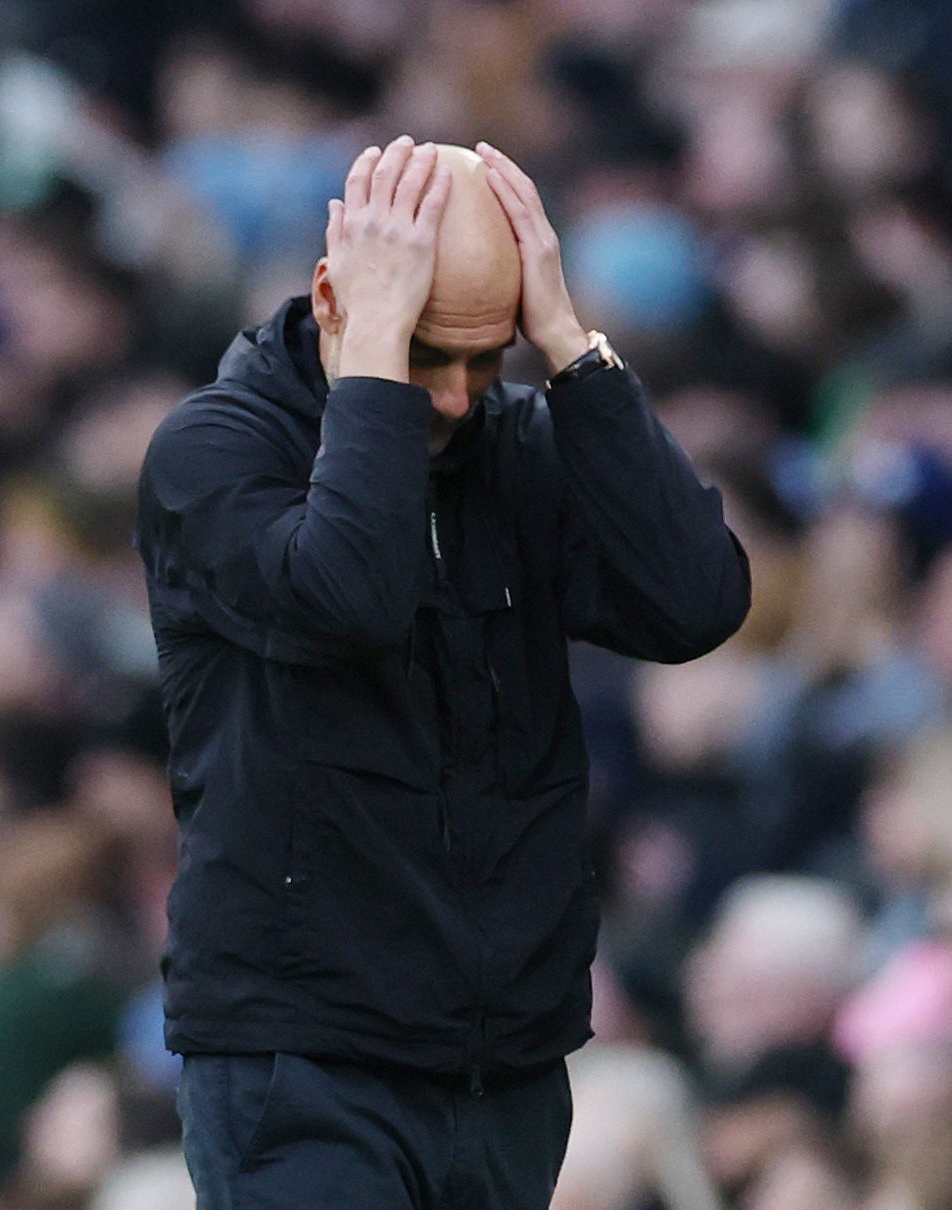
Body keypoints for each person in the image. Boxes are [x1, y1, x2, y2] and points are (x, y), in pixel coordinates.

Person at [135, 137, 751, 1209]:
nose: (461, 398)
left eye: (487, 356)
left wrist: (569, 345)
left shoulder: (519, 442)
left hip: (504, 1061)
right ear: (336, 298)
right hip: (305, 1055)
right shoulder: (217, 449)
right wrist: (376, 356)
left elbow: (696, 600)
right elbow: (348, 595)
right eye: (430, 354)